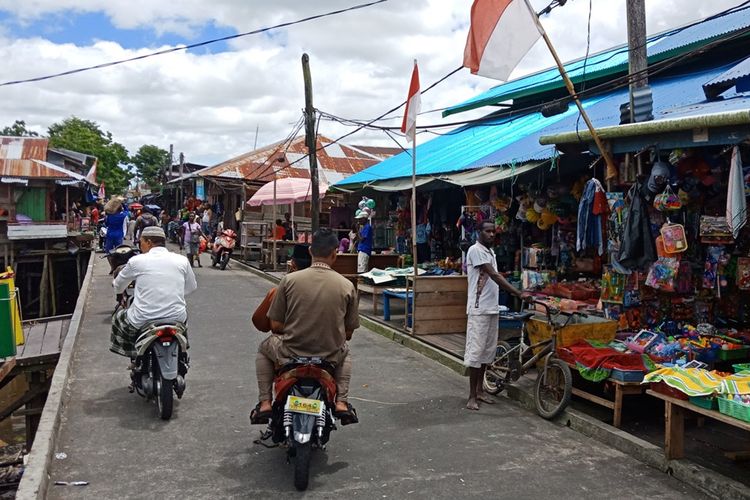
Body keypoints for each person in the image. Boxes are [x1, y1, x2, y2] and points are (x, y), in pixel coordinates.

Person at [250, 228, 359, 424]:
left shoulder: (289, 281)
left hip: (290, 353)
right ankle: (342, 402)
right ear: (335, 253)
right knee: (346, 353)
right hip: (329, 355)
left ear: (310, 251)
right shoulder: (346, 285)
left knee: (263, 349)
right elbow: (349, 332)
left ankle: (265, 402)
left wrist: (296, 327)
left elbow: (274, 325)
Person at [464, 220, 531, 411]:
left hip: (492, 308)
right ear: (479, 232)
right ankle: (471, 396)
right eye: (487, 231)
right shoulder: (475, 250)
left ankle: (480, 391)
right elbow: (493, 275)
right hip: (479, 310)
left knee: (487, 353)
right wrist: (518, 293)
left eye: (493, 232)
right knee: (476, 354)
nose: (491, 234)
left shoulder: (490, 252)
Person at [110, 226, 197, 358]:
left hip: (143, 319)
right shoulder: (182, 260)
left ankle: (134, 355)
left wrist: (118, 291)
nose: (140, 245)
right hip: (176, 318)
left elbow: (118, 285)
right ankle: (182, 354)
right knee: (183, 322)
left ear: (149, 242)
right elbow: (191, 287)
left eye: (141, 242)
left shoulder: (136, 261)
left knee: (118, 317)